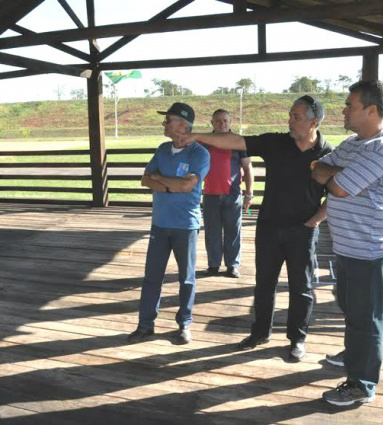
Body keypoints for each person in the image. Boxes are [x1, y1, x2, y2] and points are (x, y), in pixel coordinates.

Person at [177, 96, 332, 361]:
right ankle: (260, 332)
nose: (289, 121)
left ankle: (297, 339)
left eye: (296, 117)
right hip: (270, 228)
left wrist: (316, 219)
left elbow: (339, 193)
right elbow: (236, 141)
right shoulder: (276, 142)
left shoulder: (328, 154)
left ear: (313, 122)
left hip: (302, 232)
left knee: (301, 287)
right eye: (290, 115)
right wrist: (195, 136)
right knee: (264, 285)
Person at [312, 80, 383, 406]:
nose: (344, 110)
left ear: (371, 110)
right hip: (347, 245)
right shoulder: (354, 143)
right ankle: (356, 352)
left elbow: (336, 188)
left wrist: (338, 177)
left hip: (370, 248)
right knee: (350, 304)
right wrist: (340, 175)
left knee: (366, 318)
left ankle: (361, 384)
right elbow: (318, 169)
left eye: (350, 106)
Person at [127, 102, 210, 345]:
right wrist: (169, 185)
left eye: (169, 120)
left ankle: (184, 324)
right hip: (160, 225)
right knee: (152, 277)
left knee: (186, 277)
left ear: (183, 124)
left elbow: (187, 186)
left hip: (186, 225)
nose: (164, 123)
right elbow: (144, 180)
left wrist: (160, 180)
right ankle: (145, 325)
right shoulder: (162, 149)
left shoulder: (199, 154)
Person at [202, 109, 254, 278]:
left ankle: (232, 265)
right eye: (218, 121)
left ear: (230, 122)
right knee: (212, 231)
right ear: (212, 123)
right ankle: (213, 264)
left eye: (225, 120)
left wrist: (249, 194)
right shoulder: (205, 142)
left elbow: (247, 168)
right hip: (210, 194)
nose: (221, 124)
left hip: (233, 195)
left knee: (233, 231)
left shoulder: (238, 142)